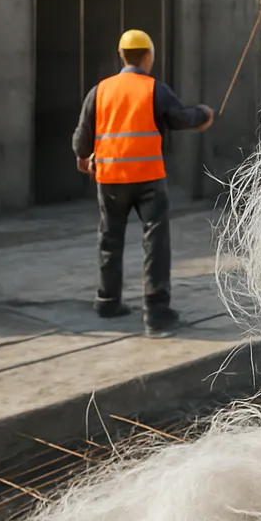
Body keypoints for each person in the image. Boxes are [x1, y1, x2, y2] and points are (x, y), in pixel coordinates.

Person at [72, 29, 214, 337]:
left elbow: (83, 134)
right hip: (148, 179)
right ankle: (157, 313)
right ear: (148, 56)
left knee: (109, 239)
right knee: (155, 243)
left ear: (121, 56)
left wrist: (83, 156)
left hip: (110, 178)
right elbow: (180, 118)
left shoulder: (101, 90)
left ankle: (107, 301)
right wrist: (203, 114)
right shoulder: (154, 89)